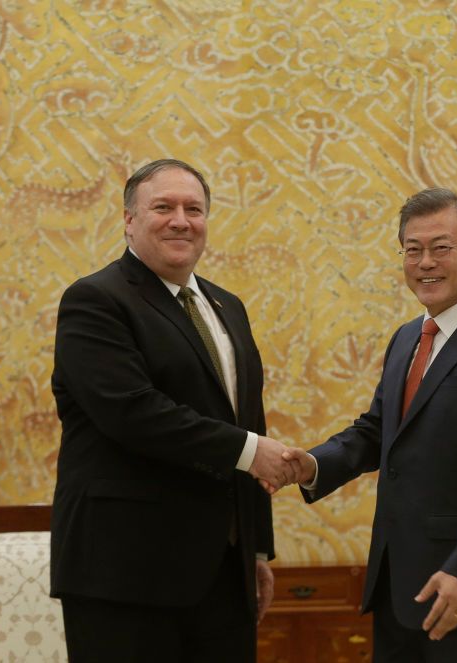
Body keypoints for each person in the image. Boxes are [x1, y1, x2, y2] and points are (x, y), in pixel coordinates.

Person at [282, 188, 457, 662]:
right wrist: (311, 465)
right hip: (399, 586)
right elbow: (377, 431)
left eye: (441, 248)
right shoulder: (408, 338)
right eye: (413, 249)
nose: (426, 263)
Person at [50, 158, 293, 662]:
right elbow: (132, 412)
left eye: (194, 209)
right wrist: (250, 452)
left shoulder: (228, 306)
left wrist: (255, 548)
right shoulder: (96, 300)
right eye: (163, 207)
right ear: (129, 220)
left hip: (223, 574)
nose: (181, 220)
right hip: (126, 574)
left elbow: (249, 421)